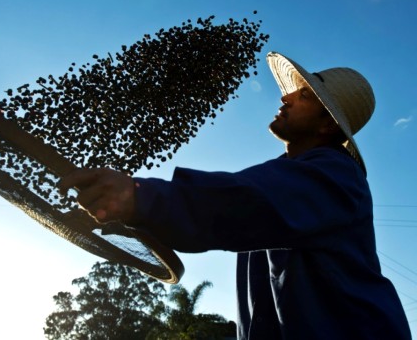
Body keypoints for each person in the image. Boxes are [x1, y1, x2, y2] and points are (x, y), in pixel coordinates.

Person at [59, 52, 412, 339]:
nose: (286, 96)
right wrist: (135, 215)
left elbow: (244, 202)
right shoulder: (280, 175)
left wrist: (141, 198)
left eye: (304, 96)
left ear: (328, 125)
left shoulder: (334, 174)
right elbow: (233, 220)